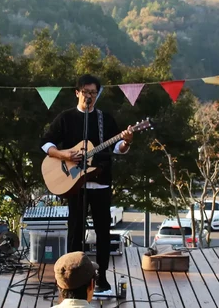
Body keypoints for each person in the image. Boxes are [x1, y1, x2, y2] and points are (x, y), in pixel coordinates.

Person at [41, 74, 133, 293]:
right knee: (75, 233)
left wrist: (126, 141)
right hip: (75, 186)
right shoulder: (66, 118)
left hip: (101, 184)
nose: (89, 96)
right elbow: (45, 143)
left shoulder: (105, 119)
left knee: (103, 232)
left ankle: (101, 278)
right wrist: (63, 155)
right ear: (77, 92)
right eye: (86, 92)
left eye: (93, 93)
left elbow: (118, 148)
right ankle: (72, 279)